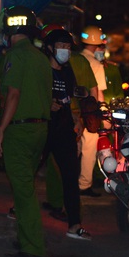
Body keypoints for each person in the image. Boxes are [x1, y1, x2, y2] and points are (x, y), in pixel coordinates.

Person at [0, 5, 53, 257]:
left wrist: (1, 131)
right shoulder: (41, 57)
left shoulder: (13, 56)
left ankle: (33, 247)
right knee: (26, 185)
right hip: (40, 129)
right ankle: (25, 237)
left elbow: (13, 95)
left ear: (8, 29)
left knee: (23, 191)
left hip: (19, 129)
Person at [41, 27, 92, 240]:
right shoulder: (42, 69)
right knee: (30, 171)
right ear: (51, 48)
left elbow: (70, 98)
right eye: (62, 46)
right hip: (42, 126)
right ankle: (19, 207)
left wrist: (77, 119)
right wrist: (46, 104)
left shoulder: (68, 70)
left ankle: (74, 224)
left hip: (63, 128)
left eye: (69, 47)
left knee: (71, 176)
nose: (66, 51)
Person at [78, 25, 107, 197]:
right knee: (89, 148)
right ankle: (84, 184)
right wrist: (103, 115)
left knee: (77, 147)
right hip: (90, 112)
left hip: (75, 109)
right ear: (98, 45)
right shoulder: (96, 64)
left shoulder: (76, 59)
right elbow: (99, 92)